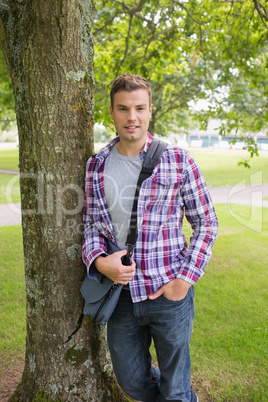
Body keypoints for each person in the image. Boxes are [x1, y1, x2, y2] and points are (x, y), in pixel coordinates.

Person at [82, 74, 218, 402]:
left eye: (139, 108)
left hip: (169, 293)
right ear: (112, 113)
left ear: (150, 110)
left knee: (175, 387)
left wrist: (183, 281)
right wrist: (100, 262)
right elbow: (90, 225)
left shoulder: (178, 160)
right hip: (121, 297)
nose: (132, 117)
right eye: (123, 108)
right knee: (132, 382)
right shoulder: (96, 166)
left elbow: (207, 224)